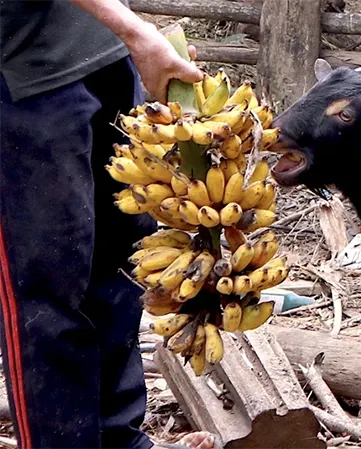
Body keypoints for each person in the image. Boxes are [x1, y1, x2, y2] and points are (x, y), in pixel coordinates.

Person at [0, 1, 220, 448]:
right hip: (22, 72)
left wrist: (133, 34)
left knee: (122, 265)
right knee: (48, 287)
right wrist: (135, 32)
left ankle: (121, 437)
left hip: (102, 47)